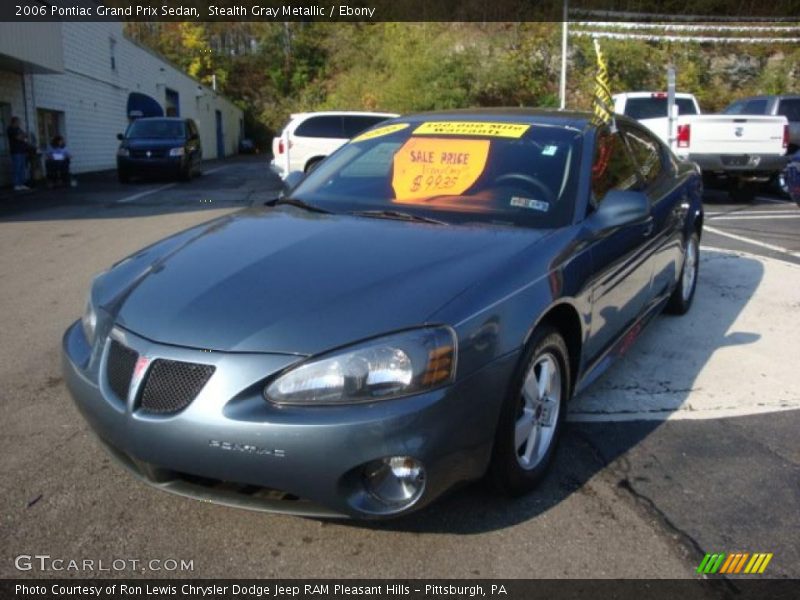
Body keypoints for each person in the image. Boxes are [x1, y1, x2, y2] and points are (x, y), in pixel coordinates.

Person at [6, 116, 30, 191]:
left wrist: (23, 136)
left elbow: (26, 136)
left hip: (22, 150)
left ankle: (22, 183)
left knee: (22, 167)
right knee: (17, 167)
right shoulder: (11, 129)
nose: (19, 123)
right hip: (16, 151)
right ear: (14, 122)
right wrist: (23, 136)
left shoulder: (19, 129)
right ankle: (16, 184)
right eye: (18, 122)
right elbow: (18, 138)